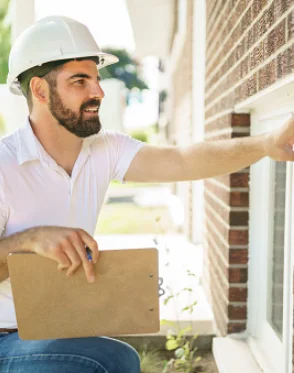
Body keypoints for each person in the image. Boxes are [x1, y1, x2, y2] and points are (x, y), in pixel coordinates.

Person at [0, 15, 293, 373]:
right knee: (112, 360)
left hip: (55, 330)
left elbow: (183, 161)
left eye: (96, 77)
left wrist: (265, 143)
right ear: (40, 91)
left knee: (117, 356)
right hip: (5, 338)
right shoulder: (4, 165)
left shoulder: (102, 149)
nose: (99, 92)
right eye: (80, 81)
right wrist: (31, 240)